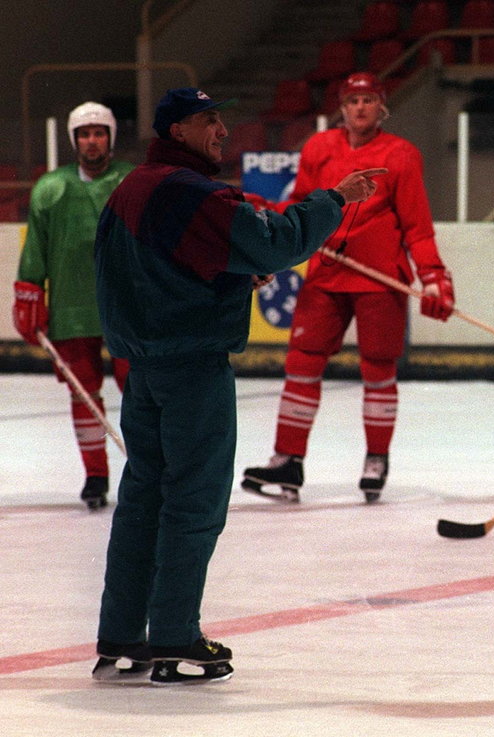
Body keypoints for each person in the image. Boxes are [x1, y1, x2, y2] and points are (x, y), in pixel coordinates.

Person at [92, 86, 384, 685]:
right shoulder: (194, 194)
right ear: (177, 131)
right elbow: (278, 242)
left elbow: (144, 273)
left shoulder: (129, 188)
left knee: (143, 497)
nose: (223, 130)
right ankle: (174, 638)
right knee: (194, 501)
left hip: (142, 370)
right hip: (191, 367)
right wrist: (336, 199)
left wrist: (223, 285)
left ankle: (123, 635)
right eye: (209, 121)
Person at [241, 71, 455, 504]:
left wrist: (434, 276)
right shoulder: (319, 148)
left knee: (378, 368)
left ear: (382, 107)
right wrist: (267, 211)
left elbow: (417, 225)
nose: (360, 107)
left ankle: (376, 459)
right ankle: (288, 460)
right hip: (326, 273)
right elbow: (303, 206)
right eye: (353, 100)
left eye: (369, 100)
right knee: (301, 363)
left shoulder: (401, 154)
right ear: (342, 107)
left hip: (380, 278)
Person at [13, 102, 134, 510]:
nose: (92, 140)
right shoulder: (50, 187)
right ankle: (96, 474)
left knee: (138, 390)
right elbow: (36, 249)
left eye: (99, 132)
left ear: (111, 137)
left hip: (126, 306)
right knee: (84, 394)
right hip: (71, 306)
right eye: (84, 134)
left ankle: (146, 470)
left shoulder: (131, 182)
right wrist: (29, 291)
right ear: (73, 140)